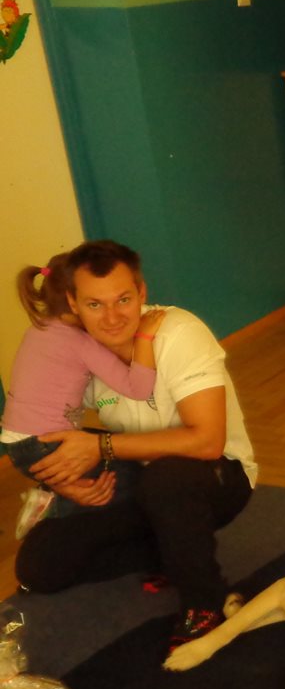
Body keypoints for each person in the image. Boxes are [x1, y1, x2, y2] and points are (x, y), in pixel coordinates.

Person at [15, 239, 256, 648]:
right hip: (136, 477)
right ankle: (173, 549)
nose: (112, 318)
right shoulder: (75, 349)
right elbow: (45, 430)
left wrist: (100, 448)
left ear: (141, 292)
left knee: (167, 479)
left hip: (214, 476)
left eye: (123, 299)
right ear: (73, 303)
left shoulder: (179, 332)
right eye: (95, 304)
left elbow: (207, 442)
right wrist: (64, 481)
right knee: (40, 566)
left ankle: (205, 601)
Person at [3, 255, 165, 536]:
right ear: (75, 301)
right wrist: (144, 337)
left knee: (106, 461)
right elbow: (139, 389)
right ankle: (54, 514)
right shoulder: (80, 342)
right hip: (44, 444)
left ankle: (52, 498)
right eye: (95, 302)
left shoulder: (39, 328)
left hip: (18, 443)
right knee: (128, 478)